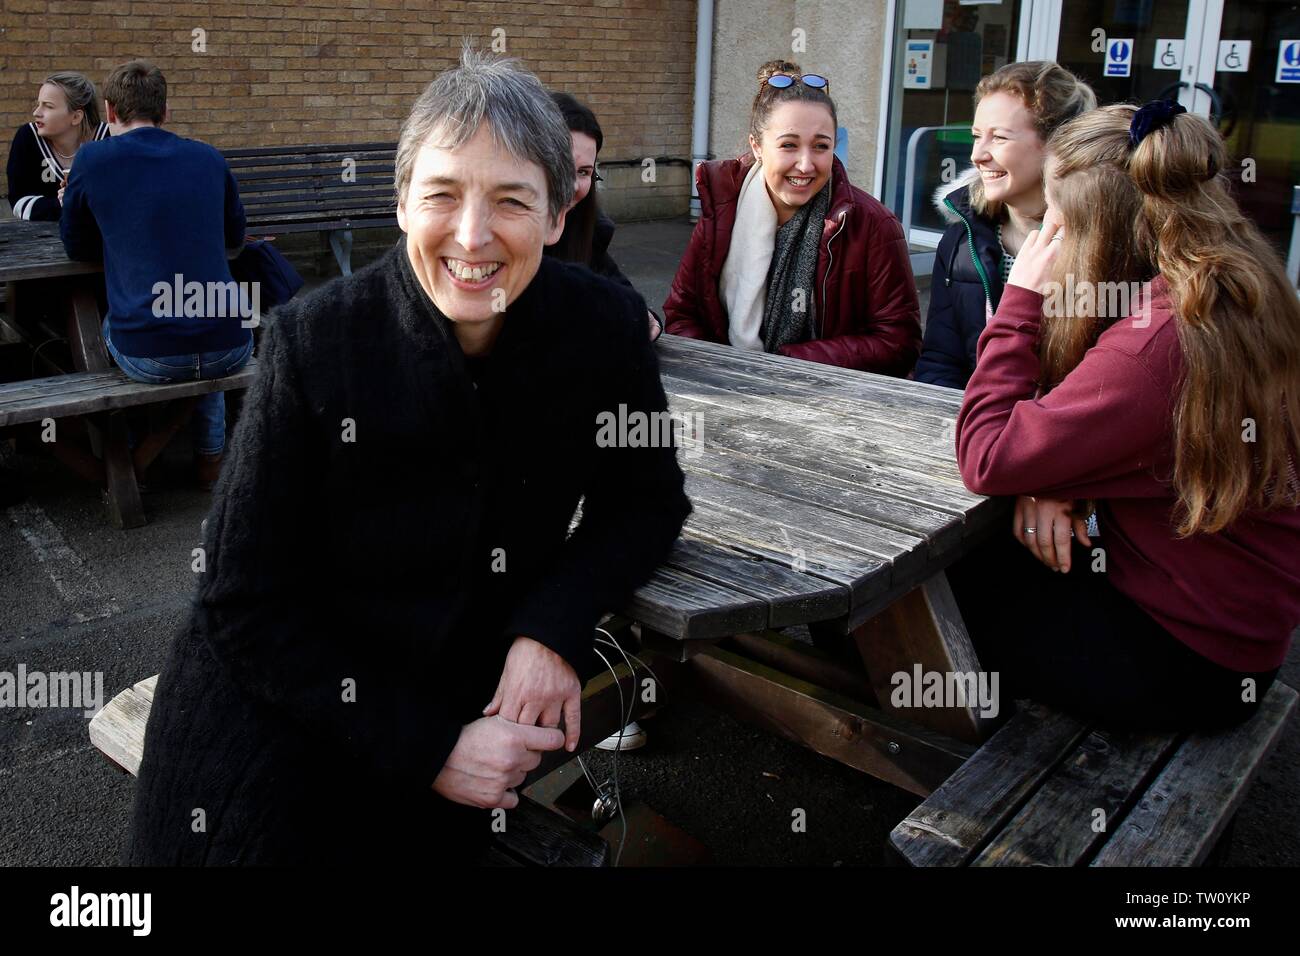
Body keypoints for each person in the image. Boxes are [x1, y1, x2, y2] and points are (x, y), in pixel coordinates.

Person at [124, 48, 691, 866]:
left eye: (511, 200)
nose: (472, 235)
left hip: (457, 701)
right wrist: (427, 748)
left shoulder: (602, 325)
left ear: (559, 215)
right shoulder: (315, 342)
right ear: (400, 204)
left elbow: (648, 500)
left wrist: (551, 628)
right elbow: (241, 602)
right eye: (443, 194)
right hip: (282, 712)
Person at [951, 101, 1300, 732]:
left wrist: (1020, 304)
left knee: (936, 586)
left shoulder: (1154, 344)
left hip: (1188, 658)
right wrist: (1056, 477)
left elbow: (986, 455)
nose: (1045, 234)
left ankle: (959, 757)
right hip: (1239, 628)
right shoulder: (1237, 278)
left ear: (1101, 232)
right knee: (1004, 554)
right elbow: (1118, 430)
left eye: (1058, 218)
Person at [59, 61, 253, 488]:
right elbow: (235, 236)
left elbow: (75, 245)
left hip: (152, 355)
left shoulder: (92, 159)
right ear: (165, 112)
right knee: (204, 333)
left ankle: (129, 459)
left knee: (111, 326)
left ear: (109, 112)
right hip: (233, 341)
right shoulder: (208, 157)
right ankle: (209, 460)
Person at [663, 59, 920, 374]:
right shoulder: (722, 211)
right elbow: (683, 314)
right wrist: (724, 371)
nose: (805, 164)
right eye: (788, 145)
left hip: (837, 406)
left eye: (821, 146)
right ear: (757, 146)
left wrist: (790, 363)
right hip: (726, 392)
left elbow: (899, 341)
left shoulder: (873, 224)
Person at [914, 61, 1095, 388]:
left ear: (1057, 145)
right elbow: (941, 360)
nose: (976, 154)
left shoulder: (1103, 245)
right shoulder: (959, 242)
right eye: (976, 136)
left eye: (998, 138)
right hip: (972, 428)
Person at [546, 90, 661, 342]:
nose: (573, 185)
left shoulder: (586, 232)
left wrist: (645, 318)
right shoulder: (495, 239)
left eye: (584, 172)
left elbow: (627, 301)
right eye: (561, 168)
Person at [6, 71, 109, 221]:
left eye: (48, 106)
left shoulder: (107, 140)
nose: (36, 112)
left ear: (76, 116)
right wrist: (65, 204)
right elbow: (19, 203)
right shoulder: (28, 137)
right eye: (38, 104)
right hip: (39, 240)